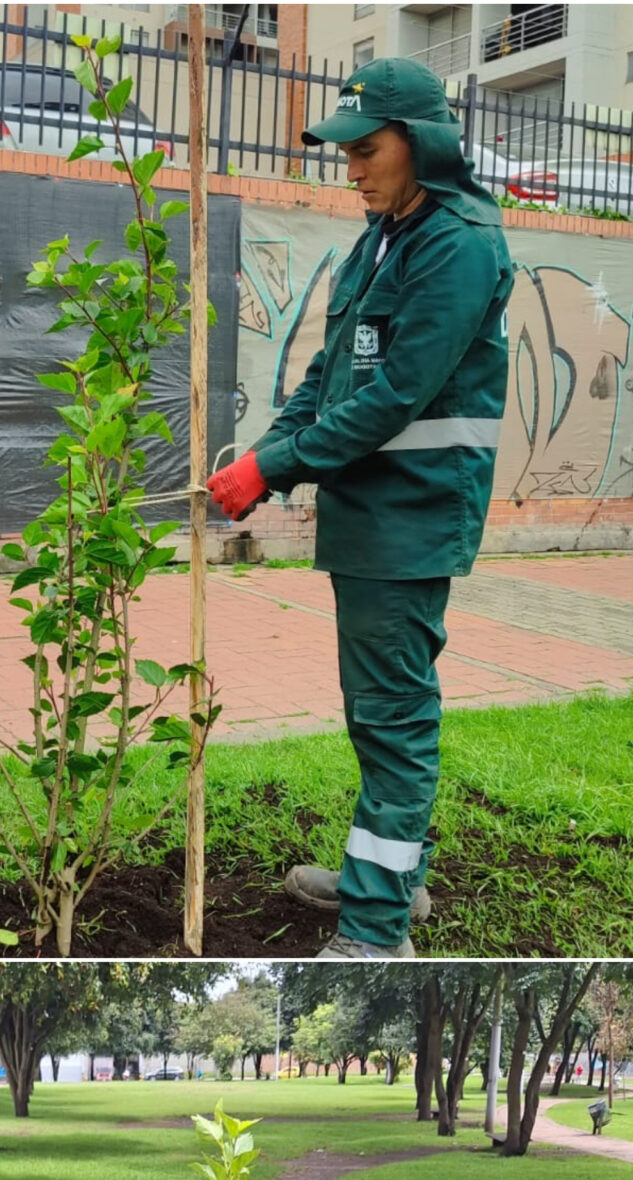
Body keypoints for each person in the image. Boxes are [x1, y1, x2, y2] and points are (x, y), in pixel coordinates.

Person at [206, 59, 514, 959]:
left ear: (421, 145)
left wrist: (279, 463)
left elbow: (394, 399)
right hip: (371, 515)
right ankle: (392, 878)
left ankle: (377, 927)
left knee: (393, 719)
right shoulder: (384, 236)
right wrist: (270, 453)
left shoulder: (457, 245)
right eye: (346, 153)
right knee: (378, 712)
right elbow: (330, 376)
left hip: (411, 518)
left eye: (366, 151)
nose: (351, 169)